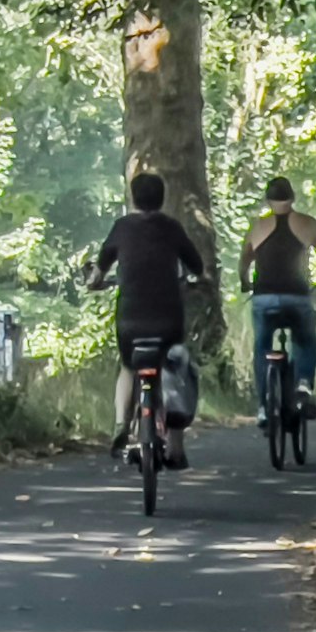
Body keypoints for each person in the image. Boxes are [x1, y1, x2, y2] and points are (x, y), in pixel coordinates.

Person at [91, 172, 204, 469]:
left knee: (128, 366)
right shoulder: (172, 228)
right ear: (163, 198)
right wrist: (194, 278)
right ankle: (176, 448)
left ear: (133, 197)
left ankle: (119, 426)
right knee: (175, 367)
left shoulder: (121, 228)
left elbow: (98, 272)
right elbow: (197, 266)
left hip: (131, 321)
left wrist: (94, 281)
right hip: (168, 321)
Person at [237, 175, 316, 426]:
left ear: (268, 200)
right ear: (292, 198)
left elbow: (244, 262)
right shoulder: (308, 224)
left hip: (265, 298)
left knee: (262, 347)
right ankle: (303, 384)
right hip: (298, 297)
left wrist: (245, 282)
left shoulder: (257, 227)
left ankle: (263, 408)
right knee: (305, 338)